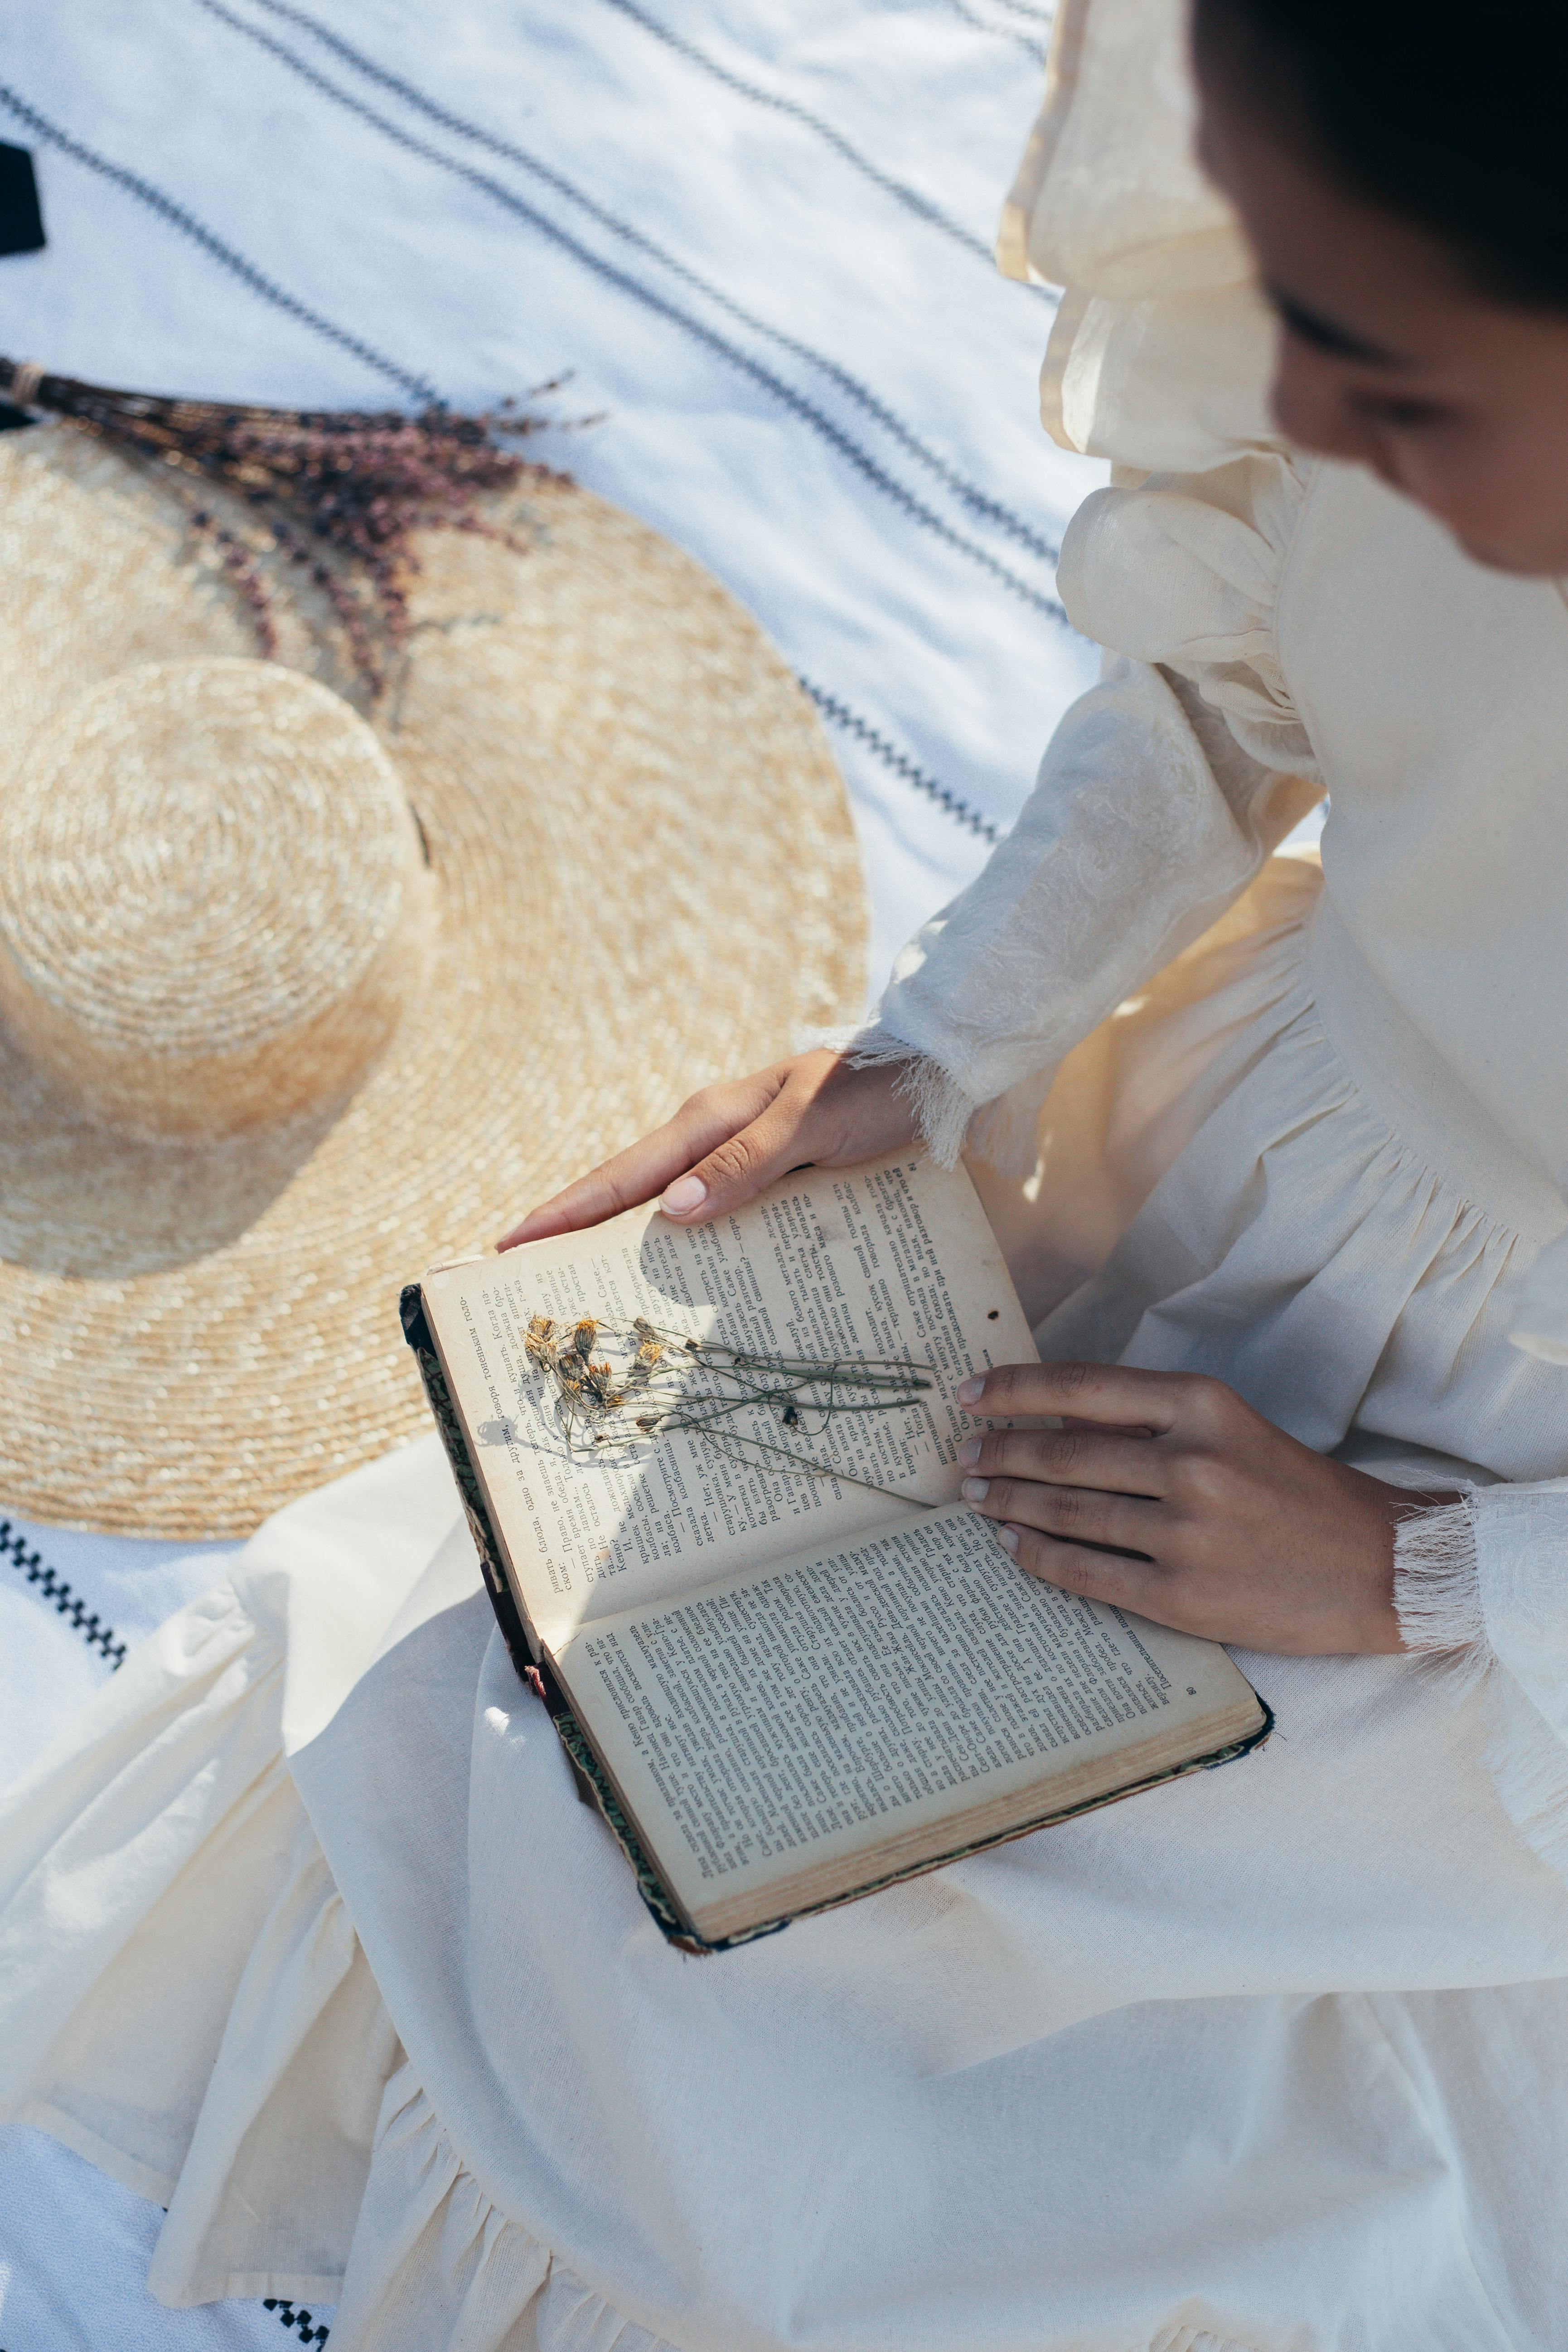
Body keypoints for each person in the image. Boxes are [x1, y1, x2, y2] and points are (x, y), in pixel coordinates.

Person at [5, 1, 1568, 2346]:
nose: (1309, 417)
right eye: (1277, 307)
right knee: (556, 1697)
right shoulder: (1379, 299)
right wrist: (937, 1048)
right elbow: (1234, 676)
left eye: (1393, 379)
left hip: (1498, 1546)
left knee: (968, 2094)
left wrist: (1432, 1571)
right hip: (1228, 1153)